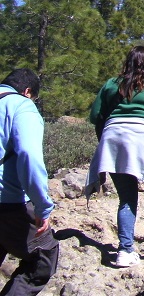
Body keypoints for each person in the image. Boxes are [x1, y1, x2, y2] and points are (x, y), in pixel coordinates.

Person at [86, 47, 144, 268]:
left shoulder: (110, 84)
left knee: (126, 198)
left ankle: (125, 250)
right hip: (143, 140)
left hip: (113, 140)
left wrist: (104, 139)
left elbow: (95, 116)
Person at [0, 69, 59, 294]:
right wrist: (42, 206)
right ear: (27, 91)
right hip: (9, 201)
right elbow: (28, 154)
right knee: (43, 258)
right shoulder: (21, 105)